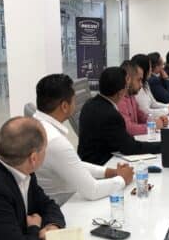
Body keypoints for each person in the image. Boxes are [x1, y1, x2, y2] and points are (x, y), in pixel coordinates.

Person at [33, 73, 133, 205]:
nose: (76, 104)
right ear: (64, 106)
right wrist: (122, 179)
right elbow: (92, 191)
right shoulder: (55, 141)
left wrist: (110, 172)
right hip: (64, 206)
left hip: (58, 199)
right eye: (74, 100)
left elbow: (73, 164)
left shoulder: (35, 123)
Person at [78, 67, 162, 165]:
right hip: (102, 163)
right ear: (121, 92)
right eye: (127, 87)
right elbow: (129, 147)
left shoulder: (89, 104)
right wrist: (162, 146)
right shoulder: (111, 115)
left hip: (87, 161)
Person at [118, 60, 168, 136]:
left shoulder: (131, 96)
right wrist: (153, 126)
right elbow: (129, 129)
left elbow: (141, 116)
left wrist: (156, 120)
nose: (141, 84)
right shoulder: (120, 100)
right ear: (128, 79)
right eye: (139, 80)